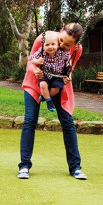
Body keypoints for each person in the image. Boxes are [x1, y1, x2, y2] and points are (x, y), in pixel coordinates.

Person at [17, 23, 87, 180]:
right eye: (61, 40)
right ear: (60, 31)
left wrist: (68, 77)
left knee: (68, 122)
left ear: (75, 45)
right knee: (30, 120)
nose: (61, 45)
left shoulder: (77, 50)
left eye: (67, 45)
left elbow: (70, 68)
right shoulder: (43, 39)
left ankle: (75, 167)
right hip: (36, 82)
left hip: (57, 84)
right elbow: (30, 61)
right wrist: (34, 70)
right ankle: (24, 166)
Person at [29, 30, 70, 112]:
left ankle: (45, 97)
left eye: (53, 44)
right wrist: (37, 61)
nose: (50, 47)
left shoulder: (62, 52)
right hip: (45, 74)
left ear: (58, 45)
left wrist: (68, 64)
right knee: (43, 85)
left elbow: (69, 58)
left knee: (56, 89)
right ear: (43, 46)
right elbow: (31, 59)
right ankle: (49, 101)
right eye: (47, 45)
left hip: (58, 76)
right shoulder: (42, 52)